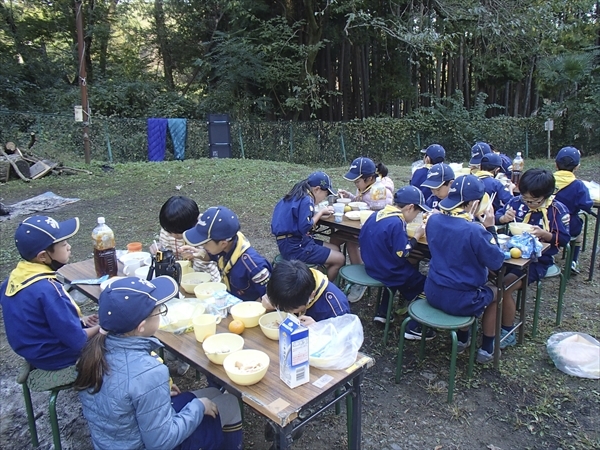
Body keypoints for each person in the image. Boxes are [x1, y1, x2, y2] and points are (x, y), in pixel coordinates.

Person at [75, 276, 242, 450]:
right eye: (159, 310)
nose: (162, 311)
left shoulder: (91, 350)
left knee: (213, 392)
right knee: (230, 403)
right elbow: (161, 443)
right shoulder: (149, 372)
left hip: (115, 440)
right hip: (148, 444)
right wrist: (198, 407)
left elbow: (120, 398)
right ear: (141, 326)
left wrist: (157, 393)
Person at [0, 215, 99, 375]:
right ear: (43, 256)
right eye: (64, 244)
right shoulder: (48, 290)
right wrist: (103, 327)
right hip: (57, 357)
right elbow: (78, 341)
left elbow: (36, 318)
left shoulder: (14, 278)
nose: (69, 247)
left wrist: (79, 321)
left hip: (33, 351)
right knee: (120, 335)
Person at [425, 175, 505, 363]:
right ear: (475, 204)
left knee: (461, 284)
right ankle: (487, 348)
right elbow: (497, 262)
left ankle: (462, 339)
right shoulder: (475, 230)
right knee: (498, 292)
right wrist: (491, 228)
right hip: (460, 300)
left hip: (432, 291)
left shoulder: (433, 220)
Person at [495, 169, 570, 348]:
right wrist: (504, 218)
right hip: (509, 256)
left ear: (546, 195)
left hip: (536, 262)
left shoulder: (556, 210)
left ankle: (508, 330)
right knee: (487, 278)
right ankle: (490, 319)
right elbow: (496, 216)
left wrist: (546, 234)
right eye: (525, 199)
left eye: (534, 201)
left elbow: (565, 239)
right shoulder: (516, 202)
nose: (529, 204)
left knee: (504, 286)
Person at [359, 186, 435, 340]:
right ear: (410, 207)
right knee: (428, 286)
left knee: (402, 271)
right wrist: (416, 237)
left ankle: (383, 312)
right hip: (387, 271)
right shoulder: (397, 222)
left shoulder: (377, 214)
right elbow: (403, 253)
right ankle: (414, 327)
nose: (416, 217)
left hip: (371, 266)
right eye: (417, 213)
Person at [336, 157, 394, 302]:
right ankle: (335, 269)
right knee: (336, 237)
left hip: (377, 232)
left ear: (369, 178)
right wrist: (349, 196)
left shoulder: (380, 191)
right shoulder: (366, 186)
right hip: (361, 226)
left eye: (357, 181)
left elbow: (378, 215)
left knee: (351, 241)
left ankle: (360, 279)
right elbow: (361, 201)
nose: (355, 184)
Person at [184, 206, 271, 302]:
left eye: (205, 243)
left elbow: (270, 298)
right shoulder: (225, 248)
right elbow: (212, 256)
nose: (202, 247)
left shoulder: (253, 266)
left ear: (223, 243)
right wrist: (199, 254)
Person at [271, 171, 345, 282]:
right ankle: (320, 290)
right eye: (326, 194)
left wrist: (317, 215)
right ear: (317, 189)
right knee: (340, 259)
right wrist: (320, 213)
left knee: (335, 248)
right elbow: (304, 227)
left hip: (290, 242)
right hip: (295, 246)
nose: (324, 198)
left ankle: (316, 280)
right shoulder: (307, 199)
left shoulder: (296, 194)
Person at [263, 259, 350, 326]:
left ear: (311, 295)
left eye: (288, 310)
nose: (286, 311)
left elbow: (347, 342)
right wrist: (271, 303)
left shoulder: (336, 309)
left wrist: (318, 328)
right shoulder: (290, 288)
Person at [156, 196, 220, 282]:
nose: (173, 235)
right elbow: (166, 258)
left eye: (177, 233)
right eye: (170, 232)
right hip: (177, 277)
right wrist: (160, 253)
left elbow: (210, 267)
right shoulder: (169, 227)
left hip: (205, 280)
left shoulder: (205, 232)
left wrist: (198, 256)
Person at [553, 146, 593, 274]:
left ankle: (550, 256)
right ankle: (572, 261)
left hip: (547, 221)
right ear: (577, 167)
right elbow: (586, 205)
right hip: (568, 224)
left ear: (556, 164)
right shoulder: (579, 185)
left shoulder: (546, 179)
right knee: (577, 233)